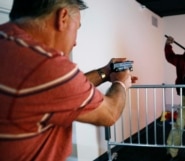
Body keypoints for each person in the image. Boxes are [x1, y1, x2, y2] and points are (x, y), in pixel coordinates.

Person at [0, 0, 137, 161]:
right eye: (77, 28)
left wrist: (106, 72)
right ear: (63, 17)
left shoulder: (8, 42)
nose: (75, 42)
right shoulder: (45, 65)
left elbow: (58, 92)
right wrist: (121, 83)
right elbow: (110, 113)